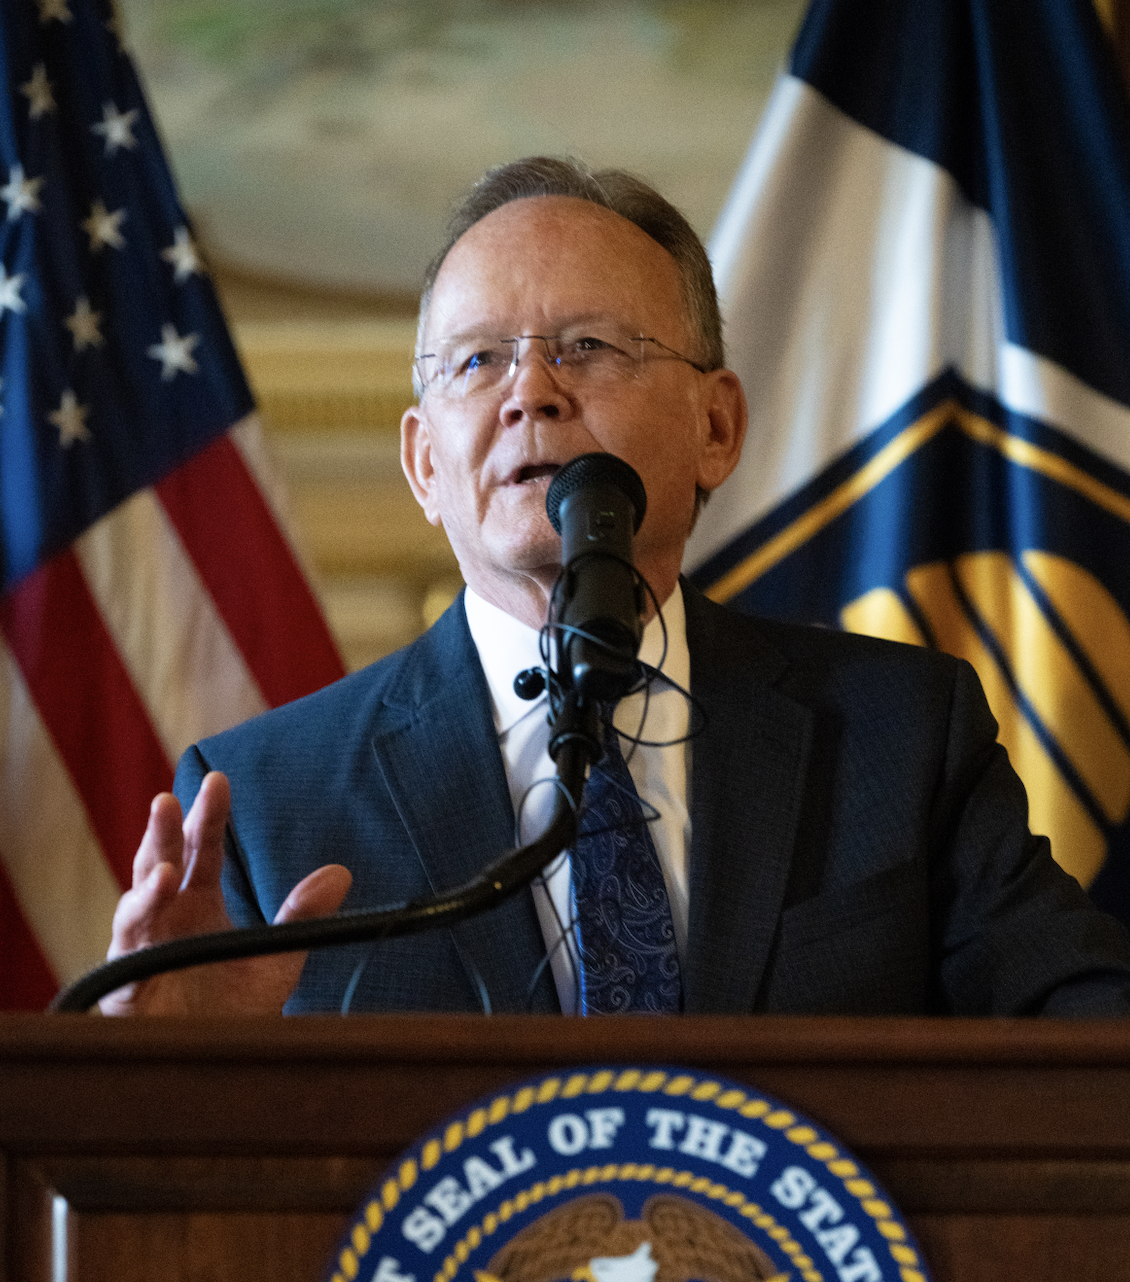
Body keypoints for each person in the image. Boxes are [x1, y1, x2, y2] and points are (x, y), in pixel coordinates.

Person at [102, 157, 1130, 1018]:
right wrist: (163, 1069)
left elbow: (1080, 1037)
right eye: (474, 362)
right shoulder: (267, 803)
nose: (530, 395)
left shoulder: (899, 738)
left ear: (714, 429)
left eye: (588, 348)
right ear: (423, 463)